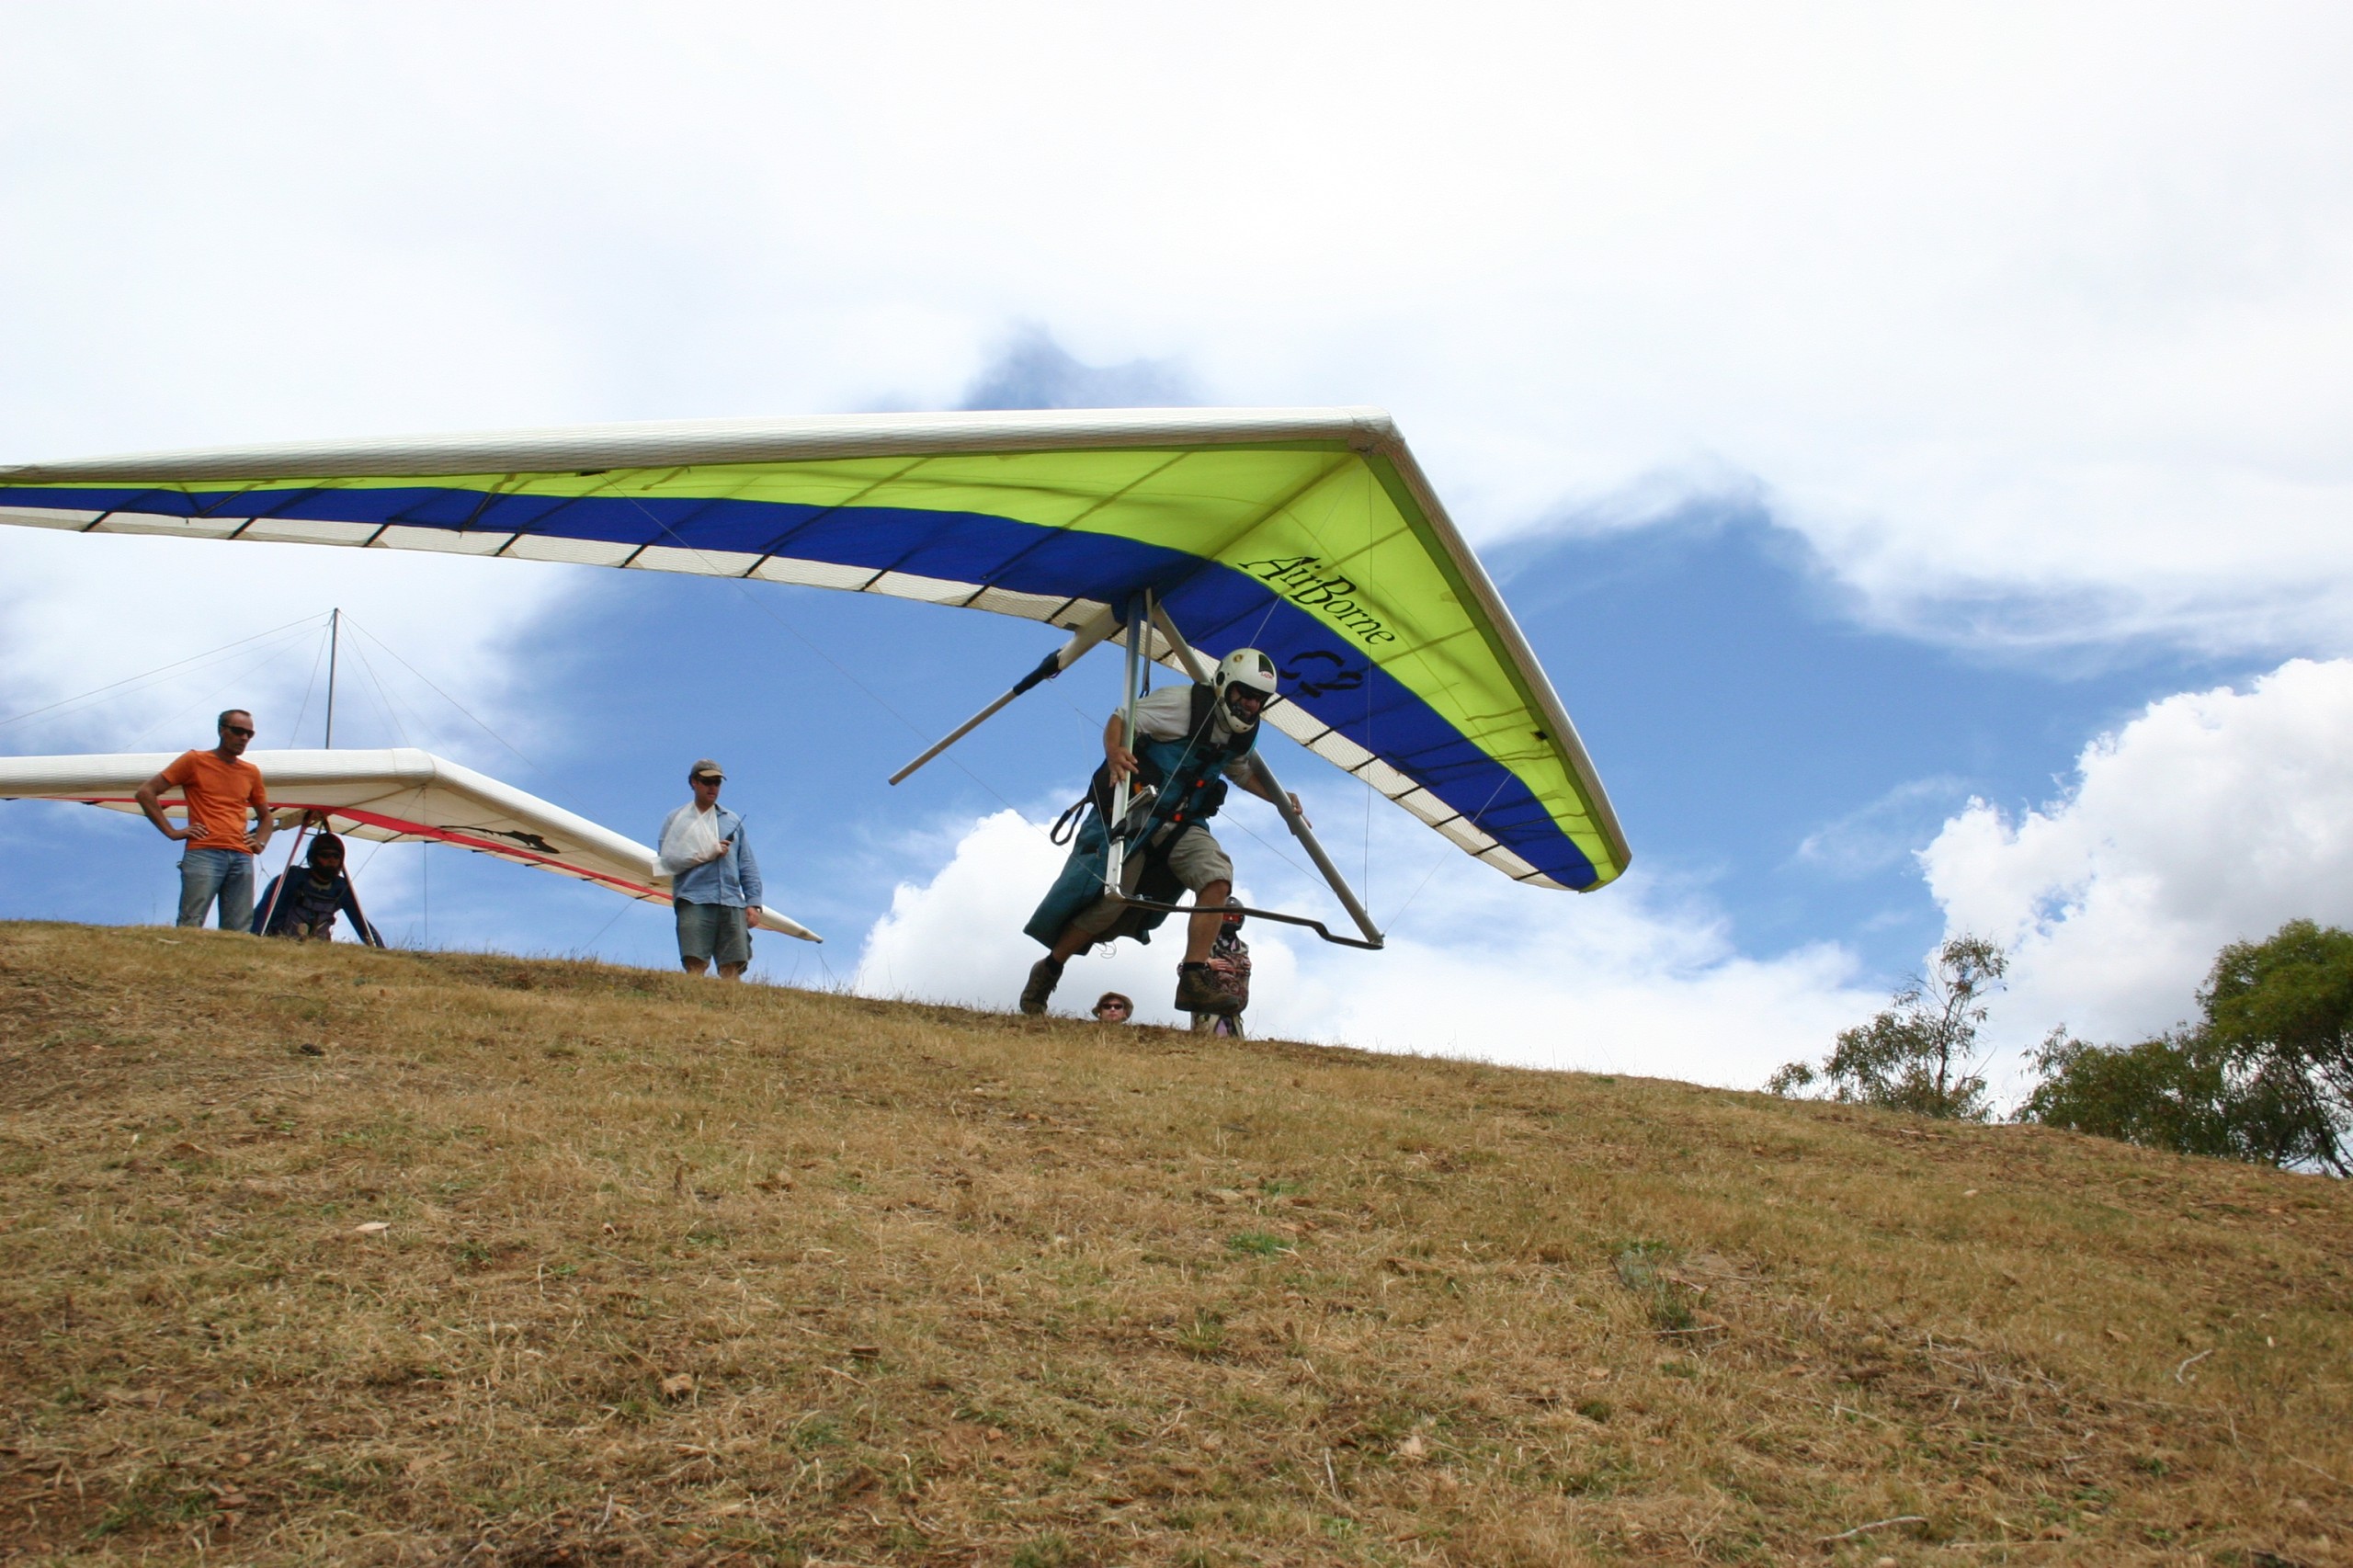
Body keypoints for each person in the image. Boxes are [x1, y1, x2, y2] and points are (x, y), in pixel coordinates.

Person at [1020, 648, 1300, 1017]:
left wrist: (1279, 798)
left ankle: (1193, 979)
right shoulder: (1181, 704)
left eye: (1258, 699)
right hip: (1138, 812)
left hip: (1183, 822)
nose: (1250, 704)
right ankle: (1050, 968)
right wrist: (1115, 752)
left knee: (1217, 877)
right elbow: (1122, 718)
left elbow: (1240, 771)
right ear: (1225, 684)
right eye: (1244, 694)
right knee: (1110, 904)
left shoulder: (1243, 733)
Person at [134, 709, 273, 932]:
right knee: (191, 922)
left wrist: (260, 843)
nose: (244, 738)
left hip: (241, 855)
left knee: (238, 929)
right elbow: (146, 792)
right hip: (204, 851)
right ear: (222, 730)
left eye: (249, 734)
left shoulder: (250, 772)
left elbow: (266, 817)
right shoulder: (195, 760)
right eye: (238, 731)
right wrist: (172, 832)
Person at [654, 758, 762, 981]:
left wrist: (753, 902)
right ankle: (694, 1000)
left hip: (731, 900)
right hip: (694, 898)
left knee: (733, 964)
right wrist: (708, 851)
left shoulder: (731, 820)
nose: (713, 787)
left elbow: (747, 863)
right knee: (695, 960)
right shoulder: (677, 819)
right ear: (694, 782)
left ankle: (729, 1002)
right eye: (707, 781)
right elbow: (668, 859)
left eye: (717, 782)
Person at [252, 832, 385, 946]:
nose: (331, 860)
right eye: (325, 855)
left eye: (336, 856)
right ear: (313, 858)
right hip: (282, 941)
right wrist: (255, 938)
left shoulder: (340, 887)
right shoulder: (293, 878)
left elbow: (362, 924)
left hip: (317, 946)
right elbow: (263, 911)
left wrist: (379, 948)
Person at [1190, 902, 1251, 1038]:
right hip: (1209, 1012)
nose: (1230, 920)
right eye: (1226, 916)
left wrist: (1245, 968)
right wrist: (1207, 964)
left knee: (1235, 1047)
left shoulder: (1242, 949)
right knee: (1210, 1042)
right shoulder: (1204, 942)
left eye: (1234, 917)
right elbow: (1184, 969)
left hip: (1234, 1013)